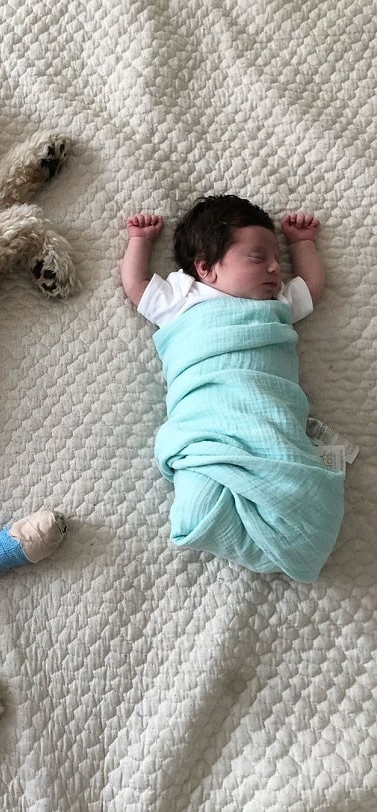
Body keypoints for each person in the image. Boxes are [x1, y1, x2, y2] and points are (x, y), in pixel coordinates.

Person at [121, 194, 344, 582]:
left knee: (307, 497)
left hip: (267, 417)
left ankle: (286, 533)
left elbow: (312, 284)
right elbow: (137, 284)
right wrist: (140, 240)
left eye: (276, 258)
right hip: (206, 427)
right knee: (196, 509)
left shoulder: (277, 302)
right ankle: (241, 530)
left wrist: (301, 243)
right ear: (205, 268)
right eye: (258, 258)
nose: (275, 268)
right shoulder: (183, 299)